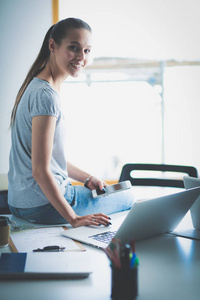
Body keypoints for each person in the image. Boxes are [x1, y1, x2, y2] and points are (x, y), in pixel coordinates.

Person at [8, 18, 134, 227]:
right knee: (128, 197)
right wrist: (73, 218)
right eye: (74, 48)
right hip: (42, 206)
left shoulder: (36, 87)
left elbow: (48, 158)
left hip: (20, 203)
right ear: (52, 46)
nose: (81, 57)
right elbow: (40, 170)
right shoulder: (46, 95)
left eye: (86, 51)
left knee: (102, 191)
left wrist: (87, 178)